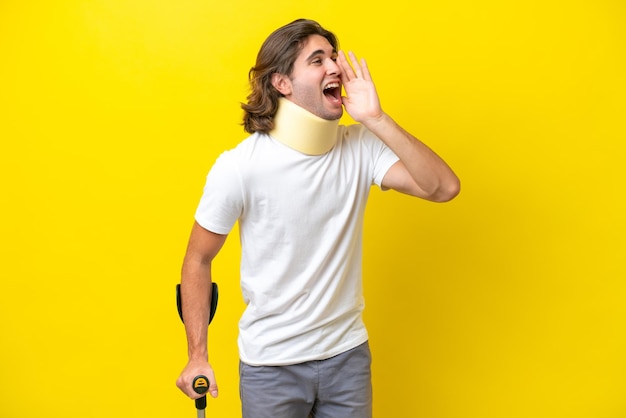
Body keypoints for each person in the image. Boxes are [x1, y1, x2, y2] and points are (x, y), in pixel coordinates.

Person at [176, 18, 460, 418]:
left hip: (347, 357)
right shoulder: (240, 167)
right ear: (282, 83)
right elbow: (197, 259)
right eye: (317, 60)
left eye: (333, 57)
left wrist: (376, 119)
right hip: (271, 364)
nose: (335, 68)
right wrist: (197, 355)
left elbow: (442, 188)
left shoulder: (360, 146)